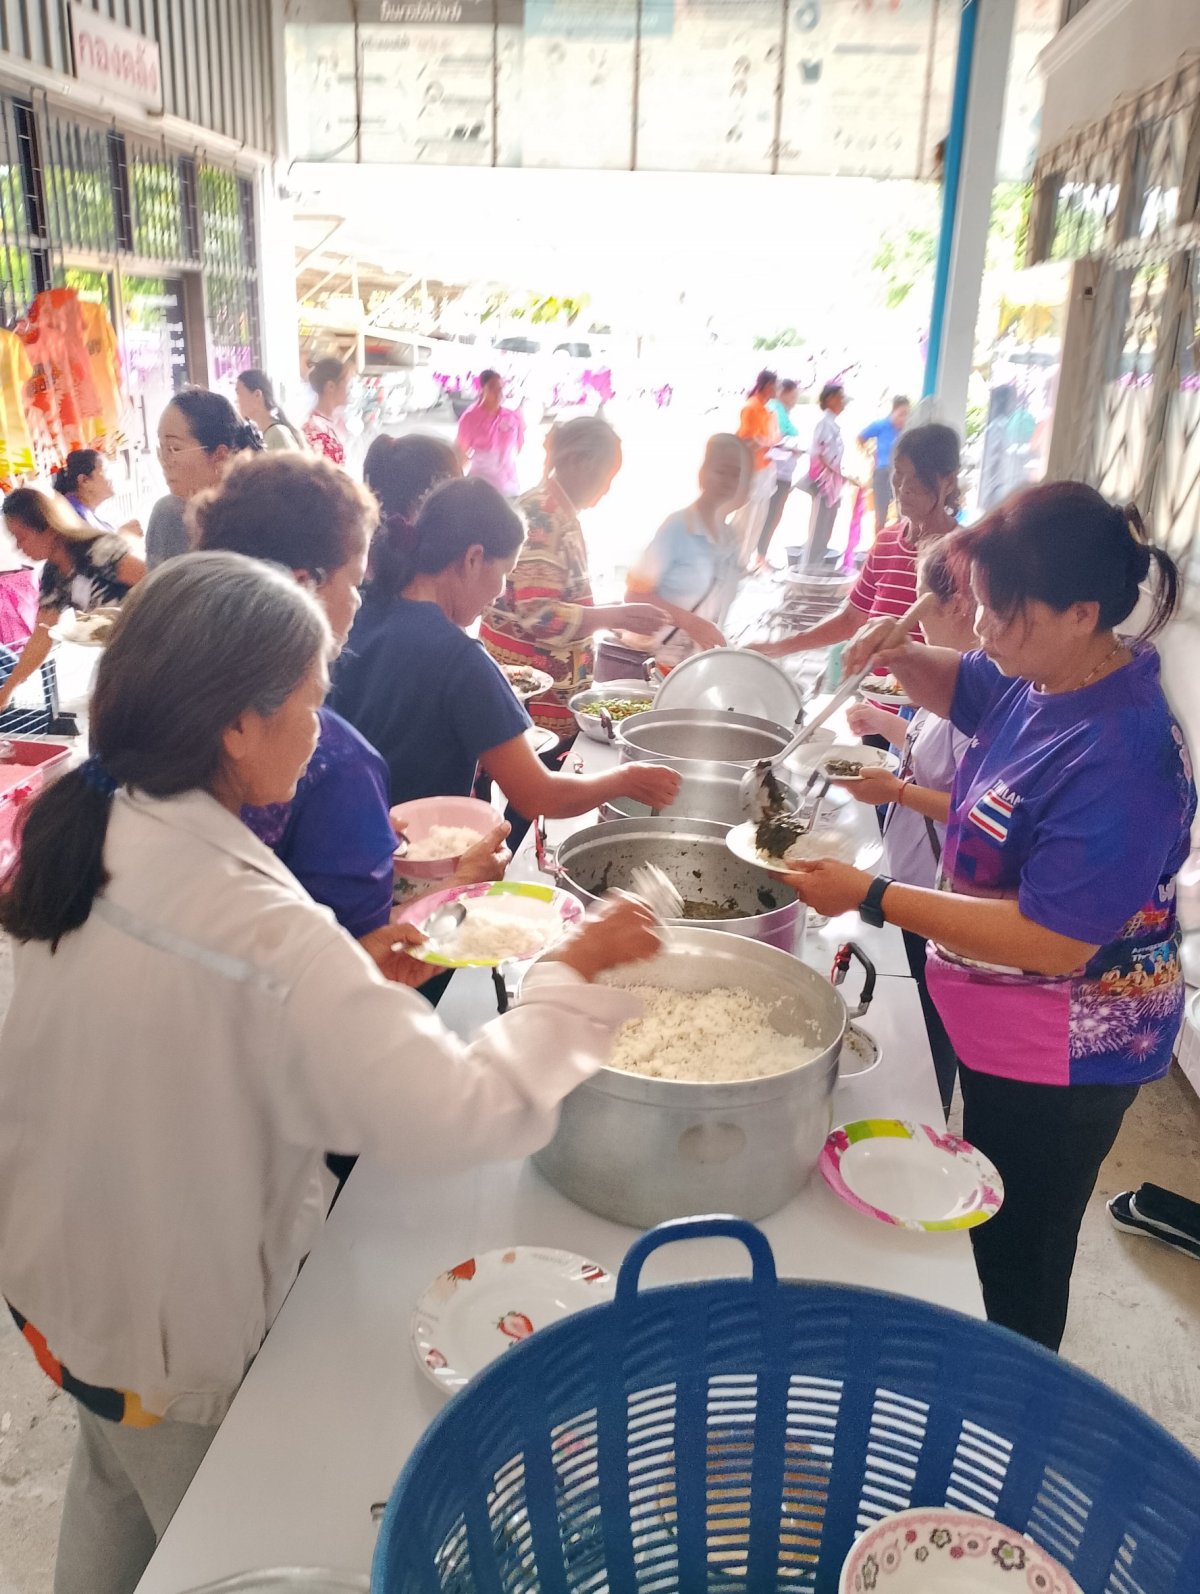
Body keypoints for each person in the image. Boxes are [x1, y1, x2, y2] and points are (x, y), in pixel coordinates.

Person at [0, 551, 661, 1594]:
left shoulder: (95, 815)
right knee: (209, 1539)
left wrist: (346, 974)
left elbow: (173, 1011)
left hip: (60, 1277)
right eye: (309, 706)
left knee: (110, 1481)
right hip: (167, 1320)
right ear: (236, 724)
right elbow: (467, 1111)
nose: (317, 738)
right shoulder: (264, 931)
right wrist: (567, 978)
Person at [785, 482, 1196, 1353]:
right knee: (984, 1213)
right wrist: (894, 654)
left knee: (1019, 1252)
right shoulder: (1041, 674)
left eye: (1004, 615)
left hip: (1070, 1049)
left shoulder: (1122, 754)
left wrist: (870, 895)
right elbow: (963, 680)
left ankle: (1007, 1415)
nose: (982, 630)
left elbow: (1052, 939)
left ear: (1082, 612)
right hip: (1002, 1022)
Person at [191, 450, 508, 972]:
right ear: (302, 587)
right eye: (355, 583)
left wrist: (364, 834)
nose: (359, 603)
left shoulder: (156, 708)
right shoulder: (330, 759)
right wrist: (459, 885)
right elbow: (350, 979)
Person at [332, 476, 681, 820]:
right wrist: (623, 779)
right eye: (505, 574)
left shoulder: (356, 609)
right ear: (473, 558)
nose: (500, 593)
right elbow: (539, 797)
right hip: (410, 855)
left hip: (335, 834)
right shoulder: (461, 660)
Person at [838, 540, 976, 1115]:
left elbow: (968, 806)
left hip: (942, 889)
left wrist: (893, 790)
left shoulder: (991, 687)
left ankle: (926, 1118)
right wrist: (884, 723)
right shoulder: (954, 674)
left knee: (932, 1021)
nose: (916, 620)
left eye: (928, 603)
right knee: (917, 999)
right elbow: (930, 750)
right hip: (913, 870)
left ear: (963, 605)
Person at [479, 416, 668, 737]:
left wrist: (610, 613)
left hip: (543, 698)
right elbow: (541, 615)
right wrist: (615, 616)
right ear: (579, 461)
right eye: (607, 476)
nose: (607, 489)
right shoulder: (543, 515)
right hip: (531, 702)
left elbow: (558, 595)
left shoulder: (559, 512)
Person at [750, 423, 961, 660]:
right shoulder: (886, 543)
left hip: (925, 696)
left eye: (917, 480)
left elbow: (964, 649)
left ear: (949, 482)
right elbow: (851, 619)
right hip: (871, 692)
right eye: (899, 474)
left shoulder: (964, 554)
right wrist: (778, 647)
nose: (903, 488)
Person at [0, 488, 144, 715]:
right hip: (120, 655)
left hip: (154, 649)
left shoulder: (98, 551)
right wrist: (7, 691)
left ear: (48, 528)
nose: (18, 547)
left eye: (22, 537)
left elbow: (159, 583)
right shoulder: (53, 573)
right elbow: (42, 635)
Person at [619, 433, 749, 671]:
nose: (729, 481)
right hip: (655, 666)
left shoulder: (731, 538)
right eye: (721, 471)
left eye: (736, 474)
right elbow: (634, 595)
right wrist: (690, 622)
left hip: (696, 667)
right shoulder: (677, 527)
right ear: (702, 474)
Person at [147, 390, 263, 568]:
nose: (164, 461)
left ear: (220, 456)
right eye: (161, 448)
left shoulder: (173, 513)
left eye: (174, 448)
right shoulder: (261, 505)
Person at [730, 369, 780, 570]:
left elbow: (768, 438)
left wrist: (772, 444)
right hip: (753, 469)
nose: (777, 390)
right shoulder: (751, 408)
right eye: (775, 386)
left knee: (758, 517)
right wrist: (765, 443)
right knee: (746, 517)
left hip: (766, 468)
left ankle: (744, 560)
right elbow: (745, 439)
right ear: (768, 386)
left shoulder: (766, 409)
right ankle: (736, 560)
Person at [455, 368, 526, 498]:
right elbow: (460, 454)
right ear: (482, 389)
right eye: (493, 388)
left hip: (509, 487)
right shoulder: (470, 419)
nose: (498, 393)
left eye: (501, 389)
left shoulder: (512, 417)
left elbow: (519, 445)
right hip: (482, 488)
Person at [756, 377, 801, 568]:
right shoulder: (775, 410)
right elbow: (773, 440)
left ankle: (761, 556)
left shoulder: (782, 411)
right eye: (794, 394)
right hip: (775, 472)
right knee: (769, 514)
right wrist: (791, 448)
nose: (796, 399)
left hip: (782, 471)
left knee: (773, 515)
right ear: (784, 392)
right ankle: (759, 557)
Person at [804, 380, 847, 568]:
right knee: (819, 526)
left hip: (833, 482)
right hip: (824, 483)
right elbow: (818, 455)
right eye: (840, 398)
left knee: (827, 524)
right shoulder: (824, 425)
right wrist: (833, 472)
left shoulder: (832, 425)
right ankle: (810, 565)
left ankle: (817, 563)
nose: (843, 403)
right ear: (829, 399)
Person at [53, 450, 142, 538]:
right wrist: (121, 536)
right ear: (84, 480)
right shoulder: (71, 514)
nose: (112, 476)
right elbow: (85, 550)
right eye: (105, 470)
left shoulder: (93, 512)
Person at [858, 394, 910, 533]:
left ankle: (898, 544)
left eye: (906, 415)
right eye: (901, 414)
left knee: (903, 512)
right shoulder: (881, 425)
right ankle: (878, 547)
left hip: (901, 475)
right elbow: (860, 438)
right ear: (893, 412)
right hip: (882, 473)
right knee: (881, 513)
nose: (903, 419)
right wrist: (870, 454)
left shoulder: (906, 431)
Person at [236, 369, 305, 451]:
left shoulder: (277, 434)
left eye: (239, 394)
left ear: (257, 395)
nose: (236, 400)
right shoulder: (266, 434)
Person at [302, 356, 351, 465]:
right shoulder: (315, 430)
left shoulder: (326, 424)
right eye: (346, 383)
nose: (348, 390)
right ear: (331, 386)